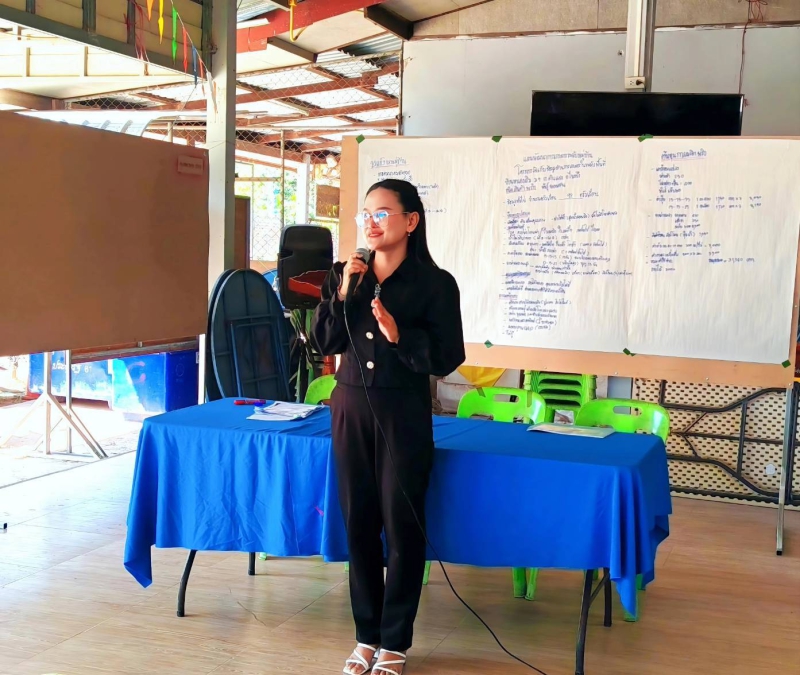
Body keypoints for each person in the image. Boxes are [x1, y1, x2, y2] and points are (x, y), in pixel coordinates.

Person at [312, 179, 465, 675]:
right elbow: (324, 342)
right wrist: (342, 293)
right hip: (350, 409)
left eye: (382, 213)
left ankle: (395, 642)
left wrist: (401, 337)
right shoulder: (346, 276)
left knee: (402, 527)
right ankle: (365, 637)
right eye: (366, 215)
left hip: (403, 413)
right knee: (358, 524)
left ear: (411, 221)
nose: (371, 223)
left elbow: (447, 356)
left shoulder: (435, 283)